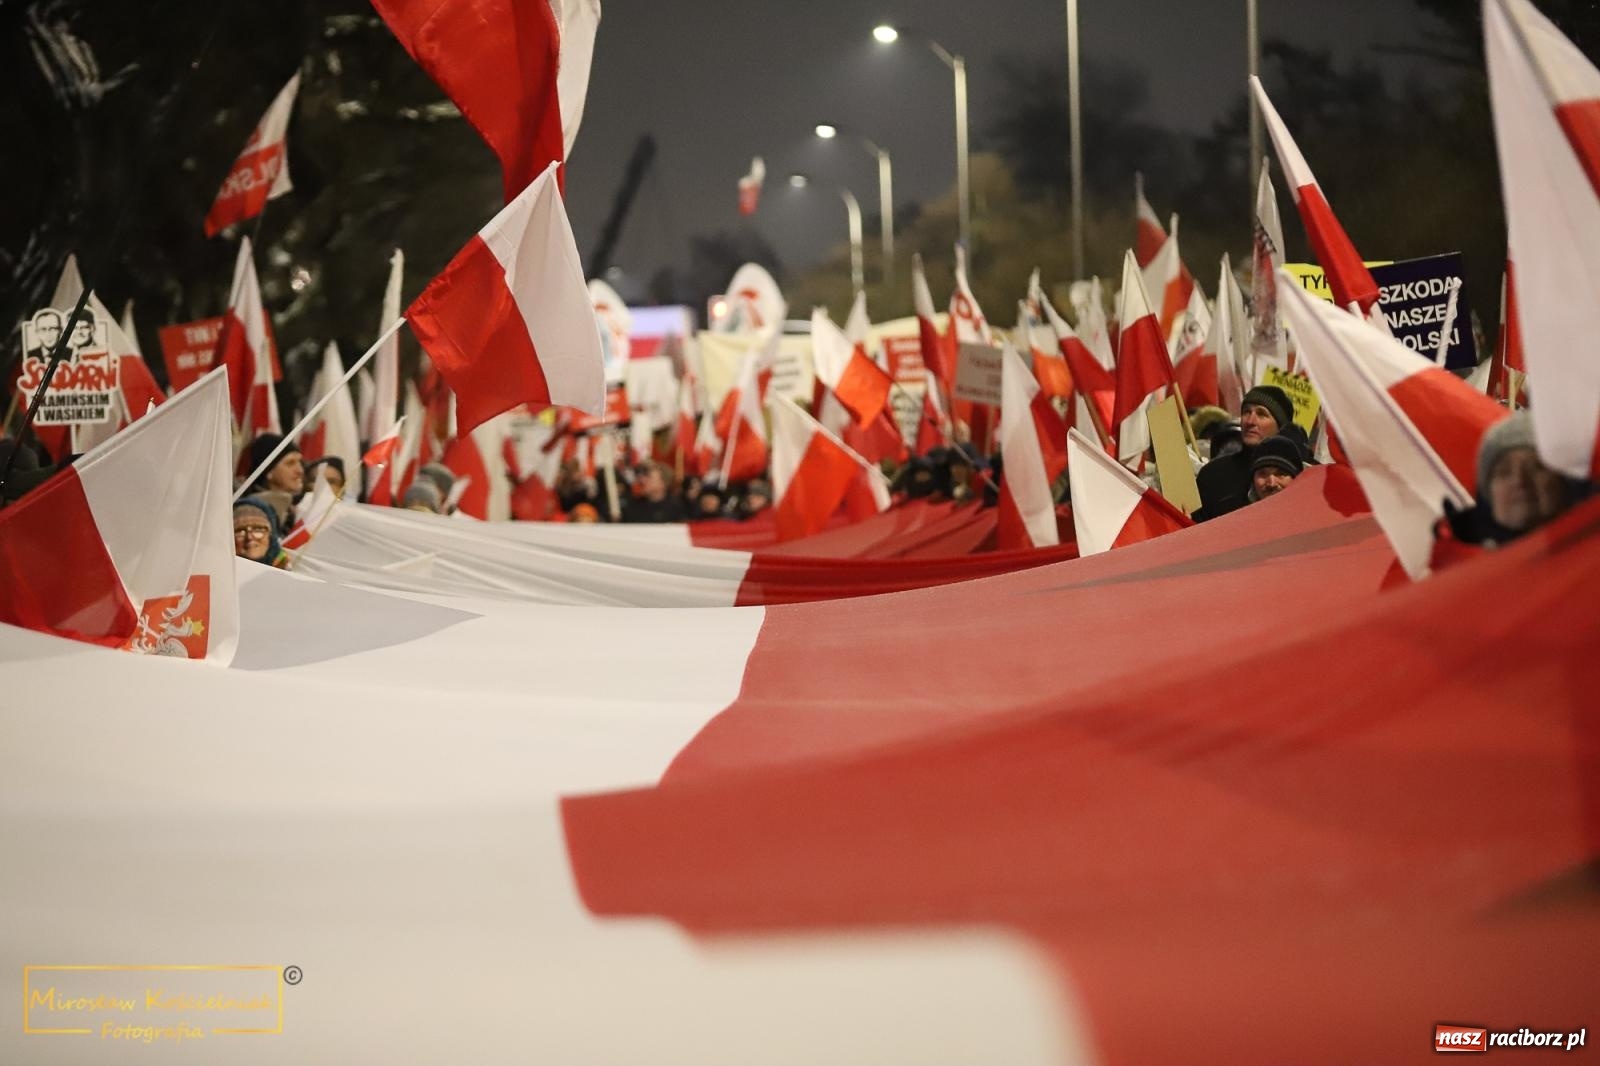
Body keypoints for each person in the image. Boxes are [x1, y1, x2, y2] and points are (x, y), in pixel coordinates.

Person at [1444, 411, 1591, 547]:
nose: (1519, 480)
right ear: (1488, 493)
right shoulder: (1458, 566)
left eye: (1536, 467)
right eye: (1503, 472)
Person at [1195, 385, 1295, 521]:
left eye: (1261, 414)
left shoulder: (1299, 475)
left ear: (1281, 426)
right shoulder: (1213, 475)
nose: (1250, 421)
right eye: (1246, 412)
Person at [233, 497, 290, 568]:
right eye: (240, 531)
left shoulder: (289, 572)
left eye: (258, 529)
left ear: (271, 534)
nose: (249, 537)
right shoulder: (218, 572)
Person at [1247, 435, 1304, 503]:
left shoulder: (1313, 512)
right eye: (1263, 474)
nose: (1271, 483)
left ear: (1297, 479)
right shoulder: (1237, 511)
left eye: (1280, 474)